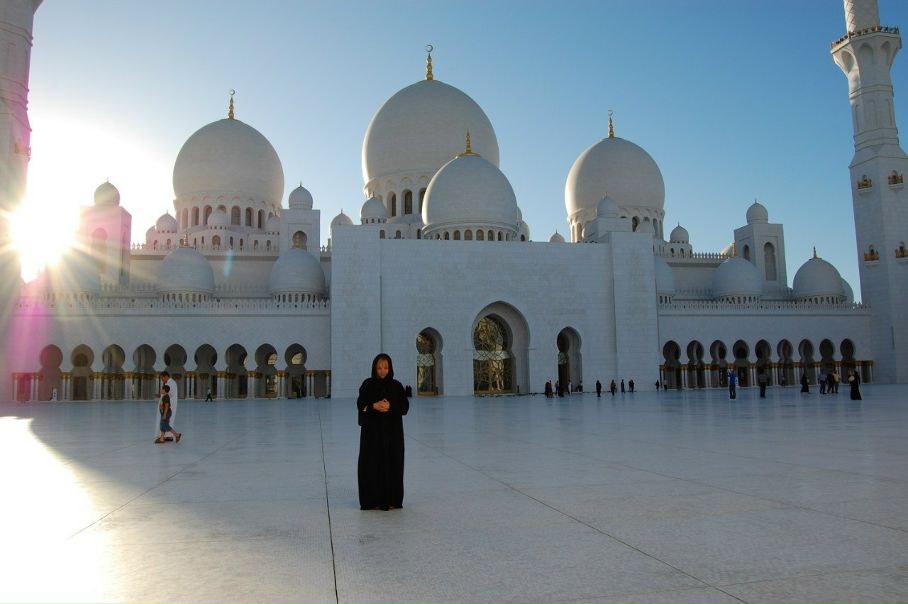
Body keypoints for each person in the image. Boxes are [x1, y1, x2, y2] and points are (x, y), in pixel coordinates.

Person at [357, 353, 409, 511]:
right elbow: (360, 404)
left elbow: (404, 407)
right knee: (371, 464)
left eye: (385, 367)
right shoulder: (367, 385)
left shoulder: (397, 386)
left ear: (390, 368)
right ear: (374, 368)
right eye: (379, 368)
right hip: (372, 435)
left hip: (393, 435)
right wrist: (374, 406)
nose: (382, 371)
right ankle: (371, 500)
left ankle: (392, 499)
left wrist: (390, 406)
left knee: (392, 464)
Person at [158, 371, 179, 440]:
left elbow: (170, 394)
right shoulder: (167, 383)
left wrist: (163, 398)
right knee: (164, 423)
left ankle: (169, 436)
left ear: (166, 376)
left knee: (165, 422)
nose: (162, 380)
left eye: (162, 378)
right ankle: (164, 436)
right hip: (165, 407)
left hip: (168, 407)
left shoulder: (172, 383)